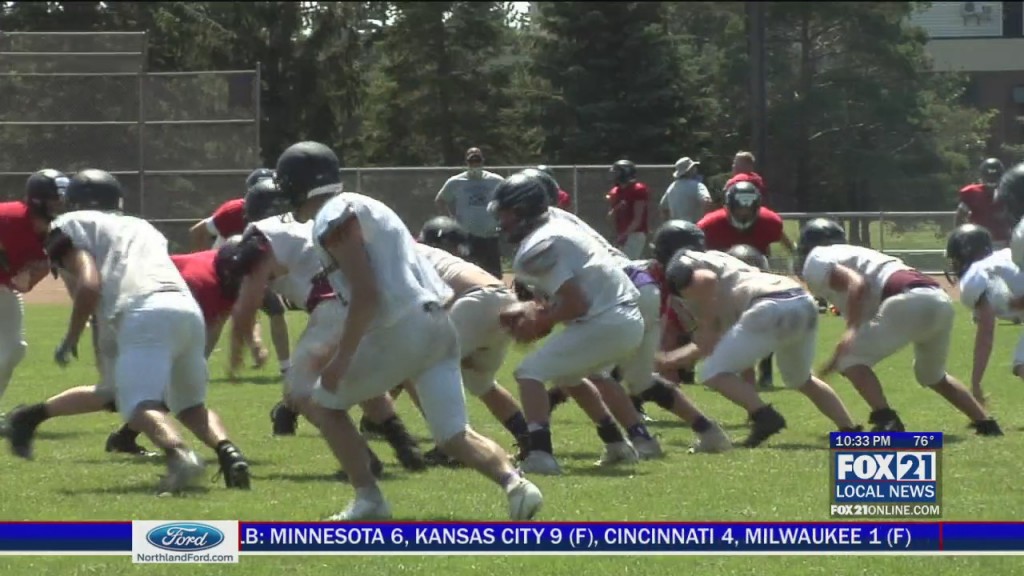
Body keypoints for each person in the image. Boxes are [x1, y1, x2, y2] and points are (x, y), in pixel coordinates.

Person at [277, 140, 542, 521]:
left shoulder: (332, 216)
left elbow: (366, 294)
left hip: (400, 326)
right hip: (438, 322)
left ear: (296, 183)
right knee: (453, 435)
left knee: (323, 403)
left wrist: (341, 360)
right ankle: (517, 486)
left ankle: (368, 498)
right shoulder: (366, 203)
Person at [7, 169, 252, 494]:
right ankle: (228, 452)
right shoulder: (141, 225)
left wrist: (71, 336)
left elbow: (90, 283)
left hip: (140, 311)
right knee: (190, 404)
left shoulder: (68, 225)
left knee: (137, 403)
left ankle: (180, 456)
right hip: (186, 308)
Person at [222, 178, 427, 473]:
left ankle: (362, 459)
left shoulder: (262, 234)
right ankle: (404, 444)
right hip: (363, 306)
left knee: (299, 391)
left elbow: (250, 297)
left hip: (332, 309)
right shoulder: (309, 224)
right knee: (356, 375)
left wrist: (237, 348)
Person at [493, 172, 648, 474]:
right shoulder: (557, 228)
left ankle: (541, 454)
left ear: (522, 211)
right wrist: (541, 313)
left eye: (506, 213)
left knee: (528, 372)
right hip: (620, 317)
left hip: (608, 319)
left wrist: (539, 320)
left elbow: (576, 303)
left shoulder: (540, 244)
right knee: (569, 377)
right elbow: (571, 300)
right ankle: (617, 444)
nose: (502, 221)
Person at [795, 218, 1002, 436]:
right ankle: (985, 424)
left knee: (850, 359)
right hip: (938, 299)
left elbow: (856, 285)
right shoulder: (856, 253)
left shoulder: (817, 258)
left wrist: (851, 332)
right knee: (931, 375)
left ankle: (887, 420)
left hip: (909, 299)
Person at [657, 248, 860, 447]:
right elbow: (714, 345)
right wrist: (672, 359)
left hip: (769, 305)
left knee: (711, 372)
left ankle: (766, 417)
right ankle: (849, 431)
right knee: (800, 379)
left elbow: (707, 279)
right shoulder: (725, 269)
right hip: (801, 301)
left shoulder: (682, 264)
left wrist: (706, 325)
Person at [411, 216, 531, 466]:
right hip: (503, 299)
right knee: (481, 381)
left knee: (422, 367)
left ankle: (452, 444)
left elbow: (433, 301)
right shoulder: (432, 255)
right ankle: (531, 440)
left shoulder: (404, 252)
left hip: (475, 300)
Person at [188, 167, 291, 376]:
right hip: (225, 269)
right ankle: (197, 367)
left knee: (274, 310)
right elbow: (198, 231)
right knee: (220, 316)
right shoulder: (234, 210)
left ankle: (286, 367)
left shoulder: (282, 216)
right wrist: (204, 261)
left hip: (254, 269)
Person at [698, 182, 794, 389]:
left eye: (749, 207)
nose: (744, 211)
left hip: (759, 271)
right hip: (724, 275)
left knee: (767, 318)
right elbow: (696, 250)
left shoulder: (769, 222)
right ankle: (724, 364)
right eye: (740, 206)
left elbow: (785, 242)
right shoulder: (709, 225)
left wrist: (796, 257)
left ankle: (765, 367)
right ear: (729, 205)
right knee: (723, 320)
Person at [0, 170, 66, 433]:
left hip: (4, 288)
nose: (62, 204)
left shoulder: (53, 231)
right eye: (56, 198)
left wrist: (39, 266)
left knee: (14, 348)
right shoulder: (10, 217)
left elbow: (22, 284)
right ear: (39, 200)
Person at [944, 224, 1024, 404]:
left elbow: (985, 335)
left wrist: (976, 383)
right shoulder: (1003, 257)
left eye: (955, 259)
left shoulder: (975, 277)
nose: (954, 265)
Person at [434, 147, 506, 278]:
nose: (475, 164)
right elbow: (440, 200)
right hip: (467, 236)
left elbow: (507, 199)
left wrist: (502, 218)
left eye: (477, 160)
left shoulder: (496, 181)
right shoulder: (455, 182)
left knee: (494, 276)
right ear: (466, 162)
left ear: (483, 160)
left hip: (490, 235)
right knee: (469, 275)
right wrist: (451, 220)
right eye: (471, 160)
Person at [956, 158, 1010, 247]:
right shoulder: (971, 192)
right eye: (988, 176)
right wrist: (961, 236)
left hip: (1004, 241)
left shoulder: (1009, 192)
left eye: (994, 176)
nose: (991, 179)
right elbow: (960, 215)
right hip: (979, 241)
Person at [607, 159, 650, 259]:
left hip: (634, 233)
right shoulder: (615, 191)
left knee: (628, 263)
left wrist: (625, 234)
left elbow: (637, 219)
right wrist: (617, 208)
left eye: (617, 172)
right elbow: (609, 217)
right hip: (620, 233)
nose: (614, 176)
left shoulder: (638, 189)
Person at [659, 157, 712, 224]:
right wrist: (705, 220)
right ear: (689, 170)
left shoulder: (672, 187)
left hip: (676, 226)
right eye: (693, 167)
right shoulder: (698, 186)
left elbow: (662, 207)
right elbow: (707, 201)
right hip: (693, 226)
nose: (695, 169)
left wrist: (667, 223)